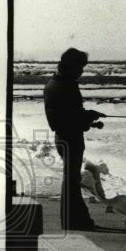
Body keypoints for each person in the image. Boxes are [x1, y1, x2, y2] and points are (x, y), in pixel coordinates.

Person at [43, 48, 105, 230]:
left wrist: (87, 118)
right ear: (70, 66)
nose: (81, 72)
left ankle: (77, 219)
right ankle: (73, 220)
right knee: (71, 180)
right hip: (70, 138)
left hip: (65, 137)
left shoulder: (55, 83)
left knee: (72, 179)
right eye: (79, 67)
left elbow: (67, 116)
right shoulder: (64, 86)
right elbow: (68, 117)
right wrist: (88, 116)